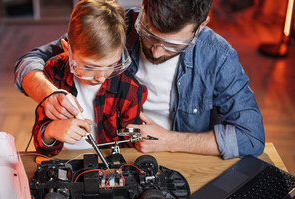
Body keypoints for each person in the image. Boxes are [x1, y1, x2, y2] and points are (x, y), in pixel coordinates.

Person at [15, 0, 265, 159]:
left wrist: (170, 141)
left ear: (201, 26)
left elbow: (251, 138)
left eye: (172, 44)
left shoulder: (217, 57)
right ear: (144, 5)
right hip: (116, 154)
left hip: (176, 160)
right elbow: (30, 61)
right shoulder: (118, 25)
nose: (156, 51)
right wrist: (48, 95)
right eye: (149, 34)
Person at [32, 0, 147, 156]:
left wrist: (139, 135)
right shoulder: (53, 72)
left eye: (110, 65)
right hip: (64, 158)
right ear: (67, 49)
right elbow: (41, 144)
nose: (100, 77)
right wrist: (51, 131)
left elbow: (130, 142)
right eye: (90, 67)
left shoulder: (129, 88)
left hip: (108, 162)